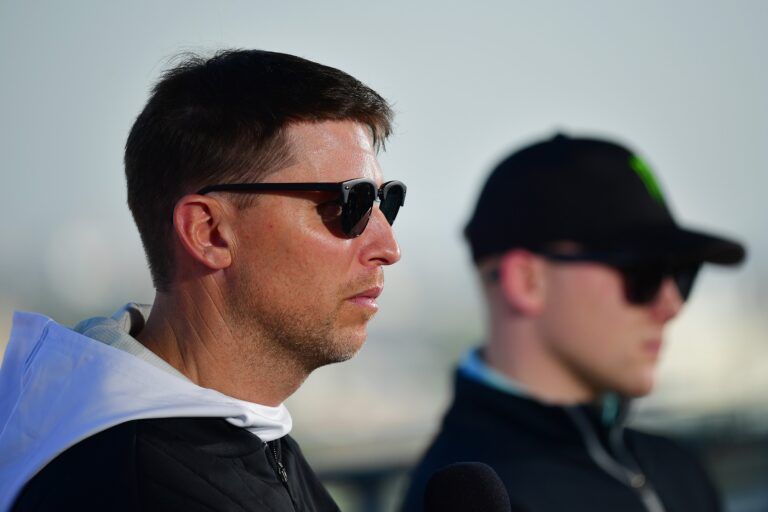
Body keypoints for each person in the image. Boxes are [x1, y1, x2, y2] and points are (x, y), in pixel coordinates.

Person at [0, 49, 406, 511]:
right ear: (208, 231)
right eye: (348, 205)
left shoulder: (241, 433)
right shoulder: (129, 487)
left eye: (384, 203)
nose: (388, 247)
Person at [401, 133, 744, 512]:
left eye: (682, 273)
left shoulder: (677, 469)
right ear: (528, 282)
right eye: (643, 272)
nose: (671, 303)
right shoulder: (472, 500)